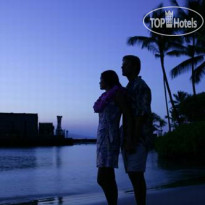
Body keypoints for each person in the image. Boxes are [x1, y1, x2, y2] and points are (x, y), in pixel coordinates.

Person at [93, 70, 133, 205]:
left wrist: (126, 135)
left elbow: (127, 114)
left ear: (108, 80)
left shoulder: (117, 93)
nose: (99, 82)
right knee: (107, 176)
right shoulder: (105, 96)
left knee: (104, 177)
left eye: (101, 79)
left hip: (110, 138)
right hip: (102, 138)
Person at [121, 55, 152, 205]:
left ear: (134, 67)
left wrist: (133, 139)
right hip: (130, 136)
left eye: (125, 65)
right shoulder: (130, 86)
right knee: (133, 174)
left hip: (138, 138)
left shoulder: (140, 86)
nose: (122, 67)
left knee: (136, 174)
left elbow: (141, 115)